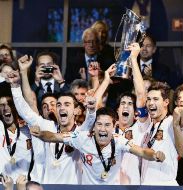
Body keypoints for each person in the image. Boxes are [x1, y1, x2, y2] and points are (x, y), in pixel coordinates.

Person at [30, 107, 165, 185]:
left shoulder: (119, 141)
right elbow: (54, 136)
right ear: (93, 126)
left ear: (114, 127)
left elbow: (141, 152)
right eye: (99, 124)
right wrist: (40, 133)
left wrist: (154, 155)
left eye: (107, 125)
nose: (102, 129)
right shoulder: (82, 138)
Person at [7, 70, 96, 184]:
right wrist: (15, 86)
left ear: (76, 111)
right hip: (47, 186)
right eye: (58, 105)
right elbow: (25, 113)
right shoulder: (47, 125)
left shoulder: (80, 131)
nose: (61, 108)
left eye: (67, 104)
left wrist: (92, 109)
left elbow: (89, 122)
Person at [0, 95, 32, 182]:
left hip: (23, 184)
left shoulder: (28, 131)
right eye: (2, 105)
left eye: (9, 104)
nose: (5, 108)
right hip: (3, 184)